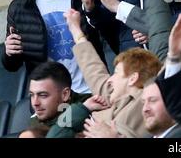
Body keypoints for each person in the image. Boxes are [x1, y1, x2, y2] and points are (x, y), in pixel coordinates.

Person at [50, 8, 163, 138]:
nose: (110, 79)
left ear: (132, 78)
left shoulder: (147, 103)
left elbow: (169, 58)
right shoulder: (109, 97)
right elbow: (93, 69)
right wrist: (75, 29)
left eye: (116, 73)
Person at [28, 61, 90, 130]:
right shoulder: (36, 121)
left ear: (65, 94)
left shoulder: (94, 115)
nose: (35, 103)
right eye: (32, 95)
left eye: (43, 95)